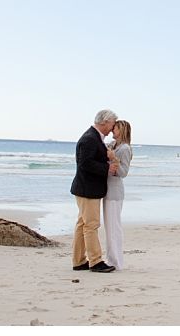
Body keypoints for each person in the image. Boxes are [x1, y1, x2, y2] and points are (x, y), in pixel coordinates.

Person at [70, 109, 119, 273]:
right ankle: (95, 261)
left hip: (85, 188)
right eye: (112, 124)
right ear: (105, 122)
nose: (113, 128)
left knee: (83, 224)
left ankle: (78, 261)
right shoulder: (90, 138)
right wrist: (108, 168)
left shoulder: (93, 137)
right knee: (91, 225)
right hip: (87, 189)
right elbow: (85, 163)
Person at [103, 119, 133, 271]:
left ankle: (116, 262)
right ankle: (111, 259)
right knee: (109, 228)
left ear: (122, 130)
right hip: (107, 190)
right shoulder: (113, 145)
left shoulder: (125, 148)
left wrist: (113, 160)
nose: (112, 130)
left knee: (114, 227)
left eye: (115, 128)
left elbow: (123, 172)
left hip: (114, 192)